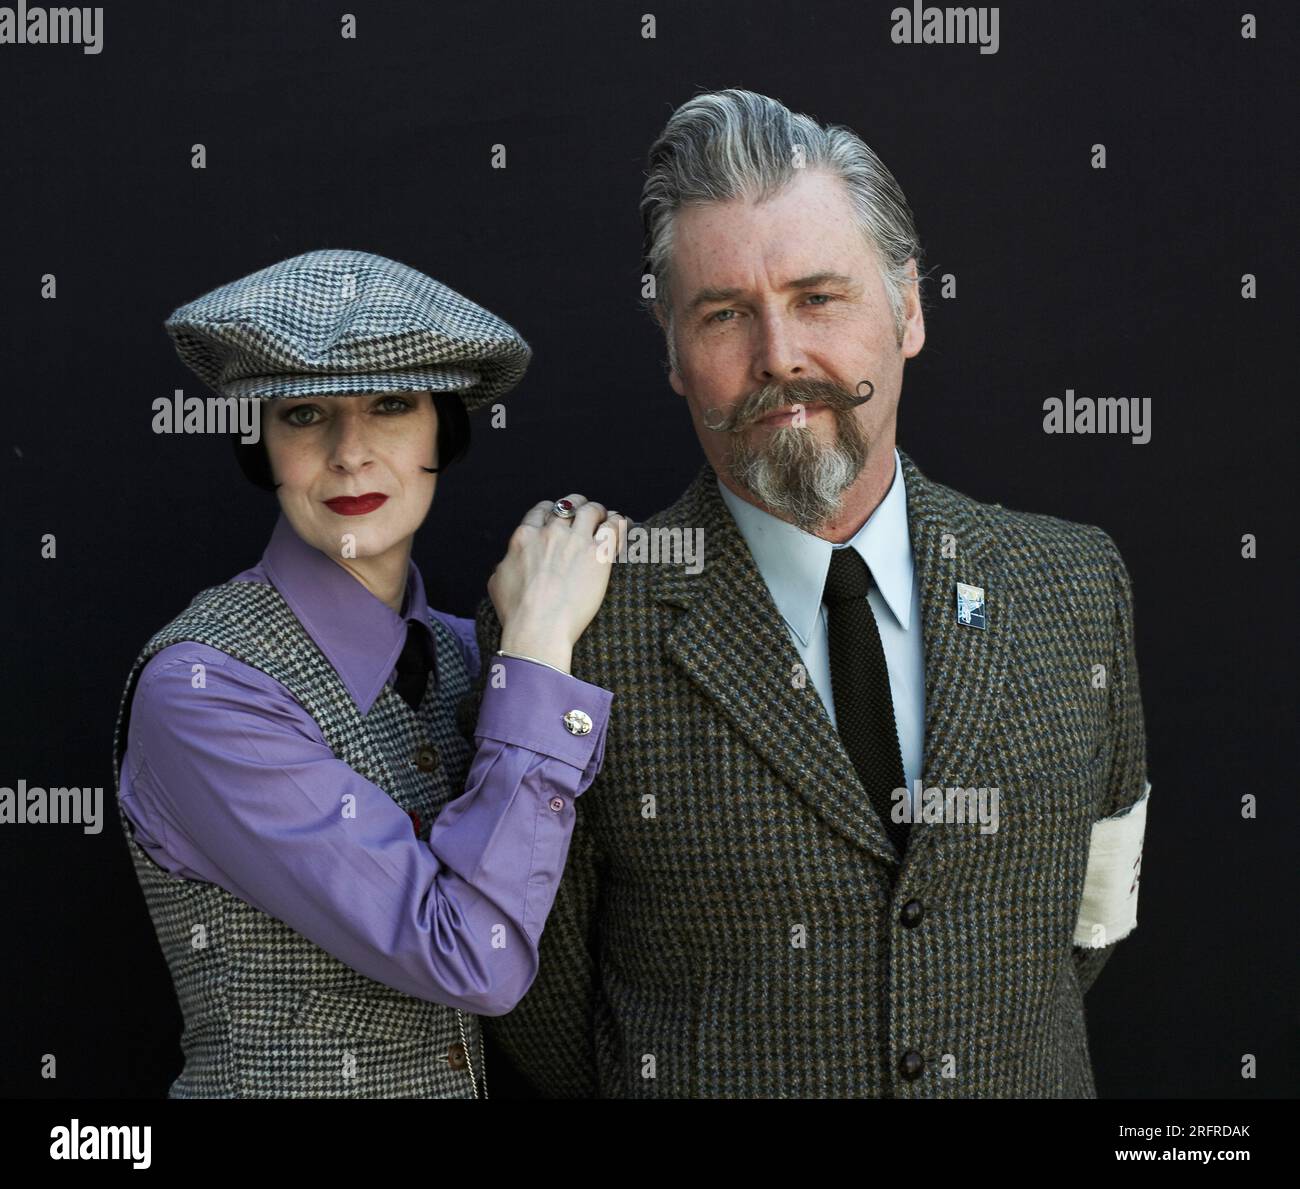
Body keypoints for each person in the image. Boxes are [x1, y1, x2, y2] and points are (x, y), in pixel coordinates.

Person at [472, 90, 1152, 1098]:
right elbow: (543, 1005)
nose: (778, 354)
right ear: (671, 350)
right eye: (723, 314)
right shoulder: (572, 625)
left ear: (909, 307)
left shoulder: (1074, 583)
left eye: (817, 298)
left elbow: (1092, 917)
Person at [111, 248, 628, 1099]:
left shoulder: (470, 655)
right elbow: (472, 956)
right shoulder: (203, 689)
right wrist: (536, 648)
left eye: (392, 403)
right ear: (262, 445)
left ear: (443, 430)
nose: (351, 453)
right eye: (305, 413)